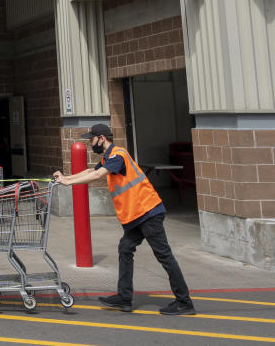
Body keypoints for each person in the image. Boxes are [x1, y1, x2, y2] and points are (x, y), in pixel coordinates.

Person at [52, 123, 194, 316]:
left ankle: (184, 302)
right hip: (137, 216)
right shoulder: (109, 156)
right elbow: (89, 171)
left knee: (164, 255)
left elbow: (97, 175)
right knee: (125, 248)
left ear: (102, 138)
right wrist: (65, 177)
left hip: (148, 212)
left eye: (92, 139)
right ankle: (124, 298)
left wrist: (67, 182)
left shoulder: (118, 155)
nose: (90, 143)